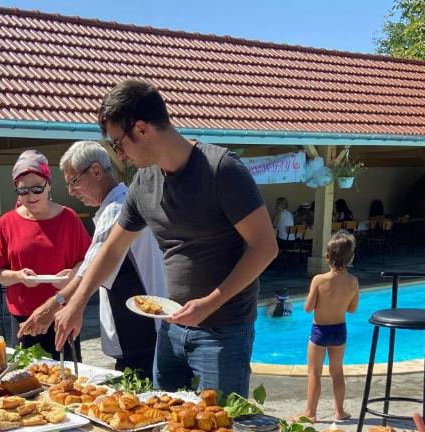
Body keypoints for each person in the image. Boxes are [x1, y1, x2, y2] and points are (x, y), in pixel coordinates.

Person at [53, 80, 277, 397]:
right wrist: (75, 302)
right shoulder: (144, 182)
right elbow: (112, 250)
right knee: (163, 424)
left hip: (222, 332)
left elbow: (265, 246)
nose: (121, 155)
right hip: (171, 327)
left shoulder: (221, 170)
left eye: (118, 144)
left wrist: (210, 302)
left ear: (142, 130)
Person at [18, 141, 166, 378]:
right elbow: (89, 268)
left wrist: (58, 304)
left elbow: (92, 270)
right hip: (136, 331)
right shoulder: (116, 206)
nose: (71, 192)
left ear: (96, 171)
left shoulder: (117, 209)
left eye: (74, 182)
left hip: (141, 331)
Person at [0, 149, 90, 357]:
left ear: (49, 185)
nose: (30, 196)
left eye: (37, 189)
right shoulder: (7, 222)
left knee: (66, 381)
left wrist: (71, 276)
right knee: (28, 377)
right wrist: (18, 277)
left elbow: (88, 262)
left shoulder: (68, 218)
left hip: (62, 314)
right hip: (24, 317)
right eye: (23, 191)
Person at [299, 232, 359, 423]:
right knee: (337, 371)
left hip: (320, 331)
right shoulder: (353, 281)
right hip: (339, 330)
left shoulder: (319, 280)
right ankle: (340, 411)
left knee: (314, 373)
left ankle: (310, 413)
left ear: (327, 256)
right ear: (351, 257)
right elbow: (352, 309)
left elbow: (308, 308)